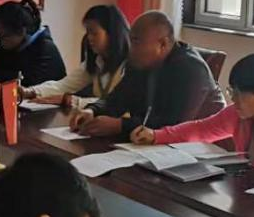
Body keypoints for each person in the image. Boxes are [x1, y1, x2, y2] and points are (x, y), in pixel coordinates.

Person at [131, 52, 254, 181]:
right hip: (248, 198)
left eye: (241, 94)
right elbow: (200, 129)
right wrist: (156, 135)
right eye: (232, 91)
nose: (233, 99)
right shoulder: (240, 114)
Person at [70, 11, 223, 140]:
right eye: (130, 41)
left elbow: (174, 125)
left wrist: (120, 126)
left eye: (136, 42)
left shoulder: (191, 69)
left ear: (162, 44)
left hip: (200, 150)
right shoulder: (139, 63)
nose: (130, 49)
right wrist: (92, 110)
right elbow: (117, 99)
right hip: (147, 143)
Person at [22, 4, 129, 104]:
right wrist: (30, 92)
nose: (89, 38)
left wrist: (73, 100)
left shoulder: (130, 63)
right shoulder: (97, 61)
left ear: (112, 33)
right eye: (87, 32)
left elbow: (119, 104)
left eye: (94, 33)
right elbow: (64, 85)